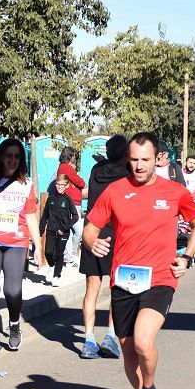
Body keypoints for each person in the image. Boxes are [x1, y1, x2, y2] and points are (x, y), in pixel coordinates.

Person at [83, 132, 195, 389]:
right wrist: (92, 243)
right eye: (134, 160)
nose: (139, 166)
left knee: (142, 342)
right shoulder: (114, 191)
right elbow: (90, 227)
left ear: (158, 160)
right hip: (124, 280)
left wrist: (187, 256)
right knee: (127, 351)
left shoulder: (174, 191)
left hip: (161, 278)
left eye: (145, 160)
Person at [0, 139, 45, 357]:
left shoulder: (26, 184)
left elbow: (31, 216)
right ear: (1, 157)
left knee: (12, 290)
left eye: (16, 156)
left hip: (16, 241)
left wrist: (38, 246)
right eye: (8, 155)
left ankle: (14, 324)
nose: (12, 160)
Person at [78, 135, 127, 359]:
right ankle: (110, 336)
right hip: (117, 232)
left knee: (92, 288)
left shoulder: (97, 170)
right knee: (117, 288)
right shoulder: (128, 173)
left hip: (93, 230)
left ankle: (88, 340)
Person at [40, 174, 79, 287]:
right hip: (51, 231)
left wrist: (65, 227)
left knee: (59, 255)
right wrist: (40, 232)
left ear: (67, 186)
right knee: (48, 252)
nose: (60, 187)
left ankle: (57, 276)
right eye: (58, 184)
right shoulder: (50, 199)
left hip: (63, 232)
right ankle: (51, 267)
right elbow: (44, 217)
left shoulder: (68, 200)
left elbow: (75, 217)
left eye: (62, 185)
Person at [54, 146, 86, 267]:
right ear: (70, 156)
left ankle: (69, 258)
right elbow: (80, 182)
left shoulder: (63, 167)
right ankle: (69, 256)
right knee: (77, 230)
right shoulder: (66, 167)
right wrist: (77, 175)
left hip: (73, 203)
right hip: (71, 203)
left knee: (72, 232)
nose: (75, 159)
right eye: (74, 156)